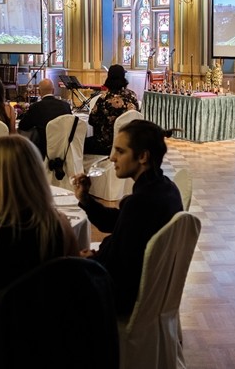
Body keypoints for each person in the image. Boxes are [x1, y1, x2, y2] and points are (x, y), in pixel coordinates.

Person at [72, 120, 183, 315]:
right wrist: (86, 199)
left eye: (120, 151)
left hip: (125, 297)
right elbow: (118, 223)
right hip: (147, 288)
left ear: (142, 156)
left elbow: (119, 265)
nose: (112, 158)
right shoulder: (166, 188)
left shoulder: (141, 202)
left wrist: (92, 258)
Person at [0, 135, 79, 306]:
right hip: (53, 324)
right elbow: (73, 278)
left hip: (1, 326)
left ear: (3, 175)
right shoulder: (61, 223)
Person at [84, 64, 139, 155]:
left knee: (80, 144)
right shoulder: (132, 96)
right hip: (129, 143)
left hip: (106, 145)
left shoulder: (104, 98)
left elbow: (92, 121)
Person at [18, 78, 72, 158]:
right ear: (53, 91)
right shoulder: (66, 106)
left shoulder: (36, 107)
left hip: (43, 149)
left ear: (39, 92)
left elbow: (23, 126)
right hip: (64, 147)